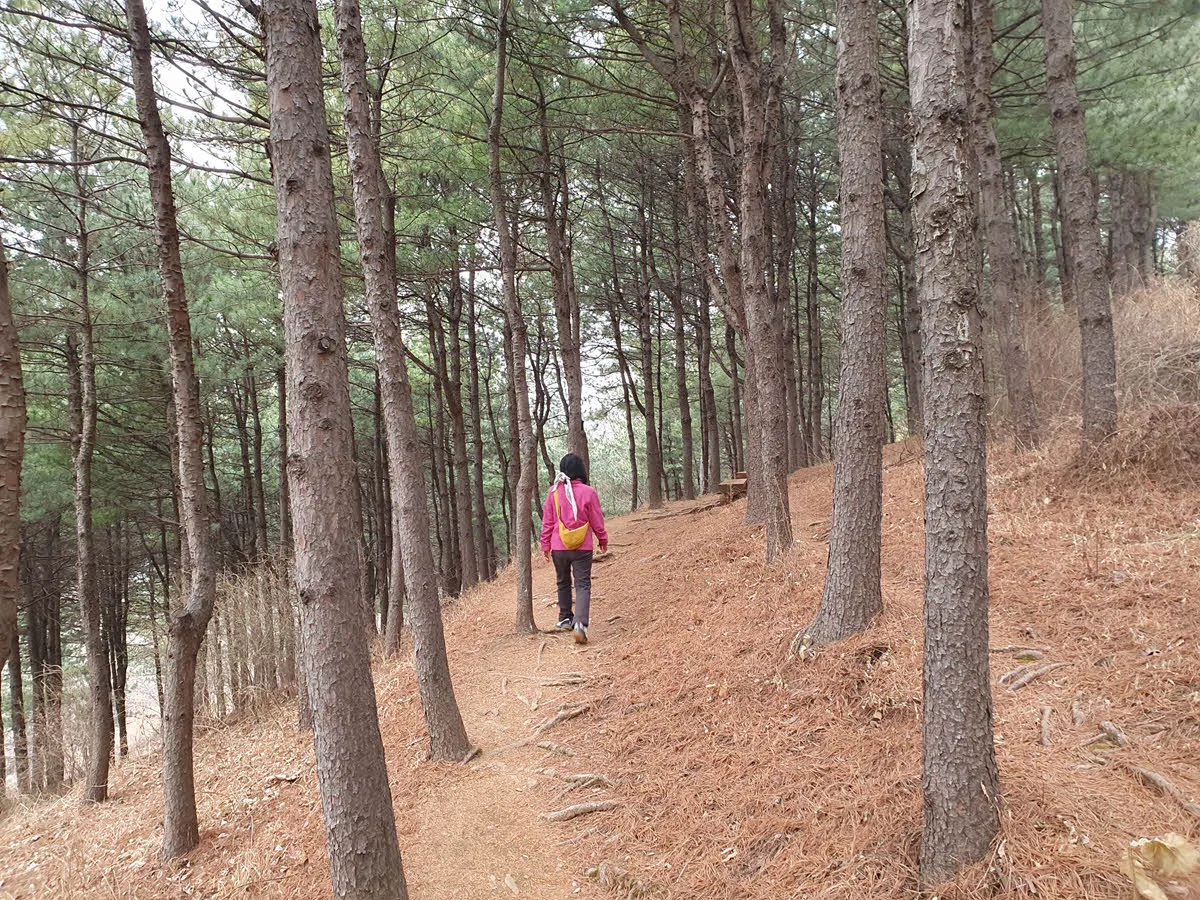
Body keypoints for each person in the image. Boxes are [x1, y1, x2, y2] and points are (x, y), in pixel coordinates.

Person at [540, 453, 607, 644]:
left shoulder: (553, 492)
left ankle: (564, 619)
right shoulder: (589, 492)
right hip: (582, 547)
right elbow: (596, 519)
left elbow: (548, 521)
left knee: (562, 581)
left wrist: (545, 544)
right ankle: (580, 625)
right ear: (581, 470)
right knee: (582, 584)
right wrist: (602, 539)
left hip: (558, 546)